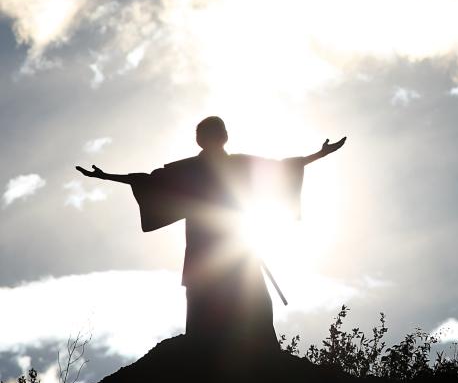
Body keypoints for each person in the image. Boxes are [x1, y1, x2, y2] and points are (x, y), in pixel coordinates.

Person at [76, 116, 346, 352]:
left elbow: (282, 167)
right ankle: (202, 346)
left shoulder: (238, 164)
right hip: (204, 242)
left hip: (236, 241)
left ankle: (259, 349)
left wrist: (320, 154)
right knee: (205, 291)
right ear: (200, 140)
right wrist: (108, 177)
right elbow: (148, 179)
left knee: (251, 293)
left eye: (212, 133)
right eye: (203, 135)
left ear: (224, 137)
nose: (208, 139)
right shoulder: (188, 168)